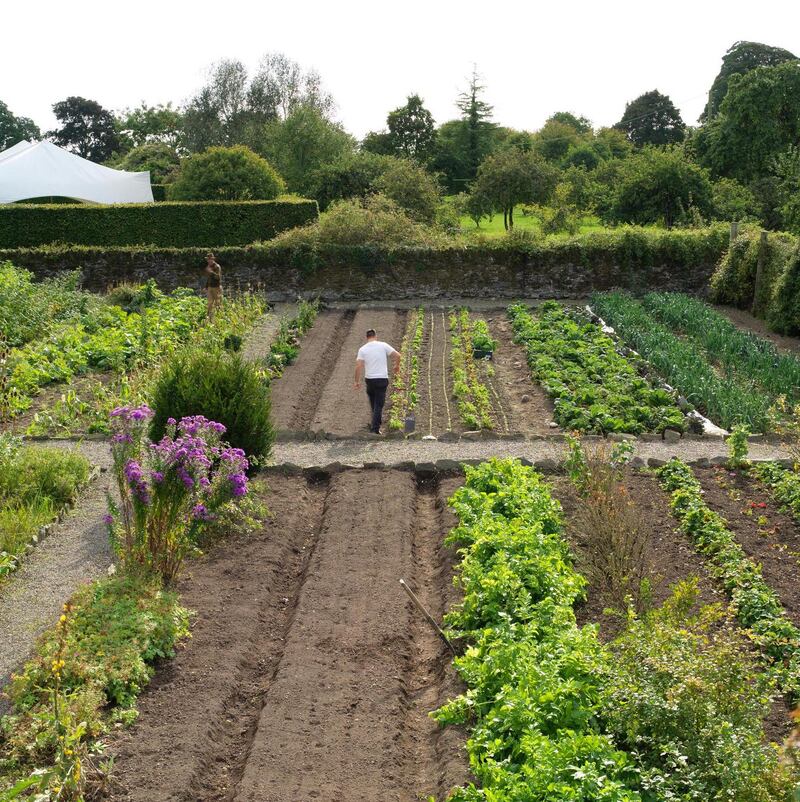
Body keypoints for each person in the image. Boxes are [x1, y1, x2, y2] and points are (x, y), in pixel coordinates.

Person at [354, 328, 401, 435]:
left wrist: (356, 381)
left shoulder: (363, 349)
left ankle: (375, 423)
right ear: (375, 336)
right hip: (381, 379)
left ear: (367, 338)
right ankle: (375, 429)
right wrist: (396, 366)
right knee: (379, 405)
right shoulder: (383, 345)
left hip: (369, 380)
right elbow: (398, 355)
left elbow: (358, 366)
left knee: (374, 403)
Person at [204, 252, 222, 318]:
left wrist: (211, 272)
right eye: (208, 259)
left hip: (216, 287)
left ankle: (219, 317)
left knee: (217, 303)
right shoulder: (208, 267)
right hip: (210, 287)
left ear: (213, 259)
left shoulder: (217, 266)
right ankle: (208, 317)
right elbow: (208, 278)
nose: (209, 260)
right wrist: (206, 287)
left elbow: (218, 277)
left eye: (210, 259)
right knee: (210, 302)